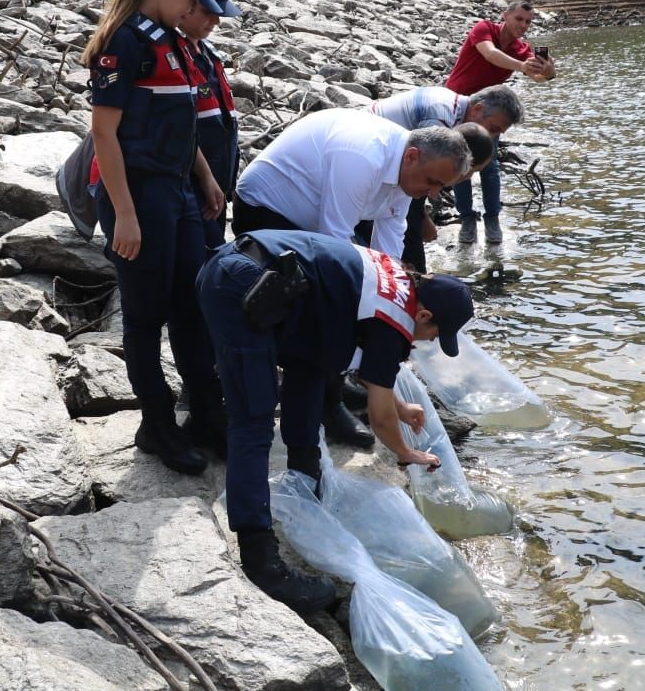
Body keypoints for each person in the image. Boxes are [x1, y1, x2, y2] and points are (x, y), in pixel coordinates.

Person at [195, 228, 474, 611]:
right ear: (424, 314)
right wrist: (408, 453)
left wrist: (401, 408)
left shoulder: (399, 282)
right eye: (432, 334)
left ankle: (306, 478)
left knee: (311, 367)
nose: (425, 342)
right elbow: (378, 418)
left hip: (257, 272)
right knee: (252, 421)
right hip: (240, 287)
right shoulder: (395, 320)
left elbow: (374, 378)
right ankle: (260, 556)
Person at [82, 0, 239, 475]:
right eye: (194, 0)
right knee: (146, 315)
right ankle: (156, 425)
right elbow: (105, 133)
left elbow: (184, 124)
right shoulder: (123, 44)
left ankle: (206, 413)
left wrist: (204, 176)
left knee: (192, 305)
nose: (197, 14)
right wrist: (124, 214)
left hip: (177, 190)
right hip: (136, 191)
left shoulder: (175, 43)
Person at [232, 108, 470, 446]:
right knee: (335, 305)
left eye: (441, 187)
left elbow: (390, 238)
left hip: (312, 219)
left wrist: (395, 294)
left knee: (365, 297)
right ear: (413, 156)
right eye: (433, 182)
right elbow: (334, 245)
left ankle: (339, 380)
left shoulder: (408, 172)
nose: (433, 194)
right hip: (267, 212)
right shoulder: (362, 156)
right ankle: (326, 404)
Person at [368, 84, 525, 269]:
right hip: (369, 161)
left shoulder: (455, 109)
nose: (491, 136)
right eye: (493, 128)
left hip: (391, 162)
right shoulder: (441, 120)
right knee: (408, 231)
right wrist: (424, 219)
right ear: (477, 109)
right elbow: (419, 175)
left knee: (399, 229)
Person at [443, 1, 553, 244]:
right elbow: (490, 54)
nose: (523, 25)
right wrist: (522, 66)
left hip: (488, 114)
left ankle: (492, 219)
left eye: (528, 22)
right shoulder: (483, 28)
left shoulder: (521, 49)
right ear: (506, 16)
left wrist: (548, 70)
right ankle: (467, 219)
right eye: (519, 19)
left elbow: (539, 77)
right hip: (457, 106)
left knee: (489, 167)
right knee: (462, 163)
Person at [176, 3, 239, 248]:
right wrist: (206, 177)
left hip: (217, 181)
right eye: (208, 13)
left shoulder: (210, 55)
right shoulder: (176, 54)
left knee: (213, 246)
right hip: (193, 180)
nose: (216, 21)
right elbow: (182, 127)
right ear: (186, 7)